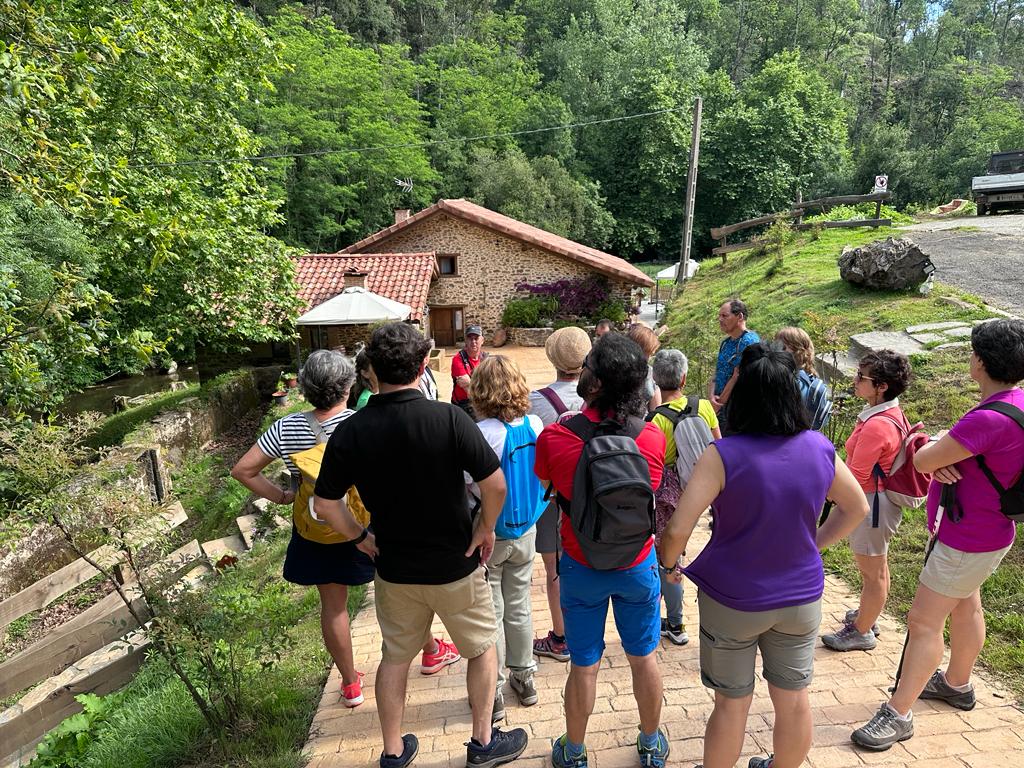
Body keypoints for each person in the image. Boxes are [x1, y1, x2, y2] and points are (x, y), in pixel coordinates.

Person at [311, 323, 528, 768]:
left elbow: (324, 503)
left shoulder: (351, 431)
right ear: (425, 364)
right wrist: (484, 529)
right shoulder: (450, 419)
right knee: (482, 648)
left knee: (395, 659)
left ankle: (393, 752)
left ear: (371, 372)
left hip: (394, 567)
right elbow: (496, 487)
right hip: (457, 563)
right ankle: (484, 743)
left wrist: (360, 538)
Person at [660, 342, 868, 768]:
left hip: (733, 598)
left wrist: (668, 564)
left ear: (743, 397)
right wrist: (815, 544)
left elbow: (679, 527)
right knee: (793, 700)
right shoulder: (819, 447)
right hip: (800, 596)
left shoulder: (723, 455)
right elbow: (858, 507)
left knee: (731, 704)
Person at [230, 351, 459, 711]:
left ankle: (351, 684)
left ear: (305, 389)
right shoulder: (364, 423)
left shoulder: (285, 428)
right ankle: (431, 652)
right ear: (349, 384)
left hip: (316, 529)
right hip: (368, 525)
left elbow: (243, 470)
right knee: (399, 599)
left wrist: (281, 496)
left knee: (333, 607)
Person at [851, 319, 1024, 751]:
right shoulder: (1016, 403)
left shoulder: (986, 420)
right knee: (967, 606)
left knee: (923, 622)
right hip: (992, 532)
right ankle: (957, 684)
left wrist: (935, 450)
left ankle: (898, 713)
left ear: (980, 362)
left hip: (964, 536)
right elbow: (946, 456)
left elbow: (924, 459)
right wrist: (948, 454)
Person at [535, 333, 670, 768]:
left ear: (594, 384)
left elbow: (548, 487)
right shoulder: (650, 439)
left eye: (589, 364)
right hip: (635, 563)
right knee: (643, 656)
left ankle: (574, 750)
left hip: (581, 563)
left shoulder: (555, 437)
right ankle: (650, 743)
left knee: (585, 664)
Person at [468, 355, 547, 722]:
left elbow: (470, 484)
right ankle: (525, 676)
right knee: (519, 605)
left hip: (490, 532)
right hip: (526, 529)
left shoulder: (482, 434)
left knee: (492, 613)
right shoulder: (534, 424)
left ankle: (494, 690)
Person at [821, 349, 913, 652]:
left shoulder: (877, 425)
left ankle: (861, 631)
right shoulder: (889, 414)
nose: (855, 380)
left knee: (872, 572)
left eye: (863, 377)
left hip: (871, 504)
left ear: (881, 386)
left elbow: (856, 475)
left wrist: (832, 498)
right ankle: (867, 615)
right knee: (876, 568)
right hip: (876, 501)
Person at [648, 349, 721, 646]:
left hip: (668, 494)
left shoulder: (654, 420)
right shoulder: (703, 406)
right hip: (702, 487)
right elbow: (719, 444)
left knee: (667, 558)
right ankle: (676, 619)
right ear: (684, 377)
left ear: (655, 380)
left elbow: (652, 464)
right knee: (676, 554)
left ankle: (675, 623)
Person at [528, 326, 592, 663]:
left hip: (553, 497)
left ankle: (560, 636)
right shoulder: (595, 399)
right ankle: (588, 631)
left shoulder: (536, 401)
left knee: (554, 568)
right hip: (593, 494)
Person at [708, 299, 759, 431]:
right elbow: (717, 371)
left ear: (739, 317)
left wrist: (719, 403)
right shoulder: (726, 342)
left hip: (735, 410)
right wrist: (711, 396)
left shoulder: (749, 342)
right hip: (719, 407)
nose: (720, 319)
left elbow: (738, 377)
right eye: (719, 316)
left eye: (724, 316)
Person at [775, 326, 832, 430]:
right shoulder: (809, 379)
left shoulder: (790, 381)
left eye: (783, 347)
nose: (776, 351)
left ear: (798, 350)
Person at [452, 324, 486, 418]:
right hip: (463, 405)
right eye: (470, 338)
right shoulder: (458, 359)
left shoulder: (486, 359)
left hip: (482, 403)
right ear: (465, 341)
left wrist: (470, 382)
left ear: (482, 340)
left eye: (476, 338)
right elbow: (468, 391)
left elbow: (492, 385)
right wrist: (482, 387)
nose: (473, 341)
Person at [626, 323, 662, 411]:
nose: (650, 357)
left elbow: (655, 408)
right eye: (648, 353)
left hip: (642, 422)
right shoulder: (617, 370)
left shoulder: (649, 371)